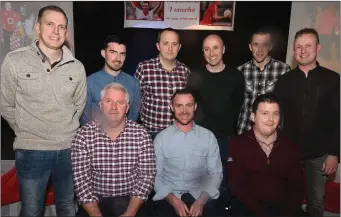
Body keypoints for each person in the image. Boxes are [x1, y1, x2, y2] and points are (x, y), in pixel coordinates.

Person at [0, 5, 87, 216]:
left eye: (62, 27)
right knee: (31, 210)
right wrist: (27, 131)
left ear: (66, 33)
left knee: (67, 207)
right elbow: (6, 105)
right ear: (38, 28)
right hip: (31, 150)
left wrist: (64, 132)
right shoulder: (15, 60)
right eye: (50, 24)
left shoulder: (77, 67)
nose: (56, 31)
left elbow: (78, 107)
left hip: (68, 151)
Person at [273, 28, 340, 217]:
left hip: (320, 154)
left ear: (318, 48)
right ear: (294, 51)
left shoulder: (333, 79)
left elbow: (338, 118)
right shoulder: (284, 81)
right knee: (287, 197)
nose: (303, 51)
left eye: (308, 45)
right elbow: (276, 115)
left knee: (316, 200)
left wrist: (334, 154)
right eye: (298, 47)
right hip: (289, 152)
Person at [72, 82, 156, 217]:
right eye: (108, 101)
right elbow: (81, 183)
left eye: (120, 102)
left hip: (132, 201)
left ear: (127, 107)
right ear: (100, 105)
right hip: (96, 201)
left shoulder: (141, 134)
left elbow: (146, 177)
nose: (114, 107)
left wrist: (130, 213)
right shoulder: (84, 135)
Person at [187, 34, 244, 211]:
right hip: (200, 140)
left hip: (226, 140)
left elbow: (238, 107)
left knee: (222, 184)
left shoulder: (236, 76)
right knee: (198, 184)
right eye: (207, 49)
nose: (211, 53)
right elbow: (191, 109)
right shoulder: (195, 76)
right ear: (203, 52)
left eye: (216, 48)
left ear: (224, 49)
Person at [227, 94, 304, 216]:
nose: (271, 119)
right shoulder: (237, 144)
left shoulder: (290, 146)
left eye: (275, 114)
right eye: (265, 113)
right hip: (249, 208)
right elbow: (237, 186)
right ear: (253, 116)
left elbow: (296, 187)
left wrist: (287, 213)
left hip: (282, 209)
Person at [153, 89, 222, 217]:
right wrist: (173, 201)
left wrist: (201, 201)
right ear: (171, 107)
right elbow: (156, 176)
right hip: (170, 195)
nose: (184, 111)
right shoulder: (161, 139)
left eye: (189, 105)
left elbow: (216, 174)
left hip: (202, 194)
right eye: (179, 106)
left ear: (195, 107)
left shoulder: (208, 137)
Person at [135, 28, 191, 139]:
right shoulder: (144, 68)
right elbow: (135, 101)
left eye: (174, 44)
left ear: (179, 47)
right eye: (166, 43)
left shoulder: (185, 71)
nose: (170, 48)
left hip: (179, 133)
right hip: (151, 134)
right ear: (158, 46)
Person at [237, 28, 291, 135]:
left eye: (264, 45)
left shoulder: (283, 70)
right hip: (245, 129)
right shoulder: (240, 71)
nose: (260, 49)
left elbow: (288, 104)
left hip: (272, 131)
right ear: (250, 47)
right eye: (256, 44)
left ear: (270, 46)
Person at [80, 35, 141, 126]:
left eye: (122, 54)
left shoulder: (134, 84)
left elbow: (133, 117)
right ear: (103, 53)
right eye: (113, 52)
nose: (118, 58)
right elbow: (85, 118)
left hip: (125, 138)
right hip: (96, 137)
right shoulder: (90, 82)